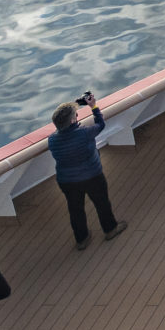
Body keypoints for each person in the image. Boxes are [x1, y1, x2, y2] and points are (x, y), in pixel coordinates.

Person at [46, 93, 125, 249]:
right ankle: (110, 229)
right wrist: (93, 107)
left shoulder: (52, 140)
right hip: (92, 176)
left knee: (75, 210)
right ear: (73, 120)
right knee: (101, 203)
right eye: (75, 115)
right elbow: (100, 124)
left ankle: (82, 240)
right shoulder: (83, 133)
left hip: (67, 181)